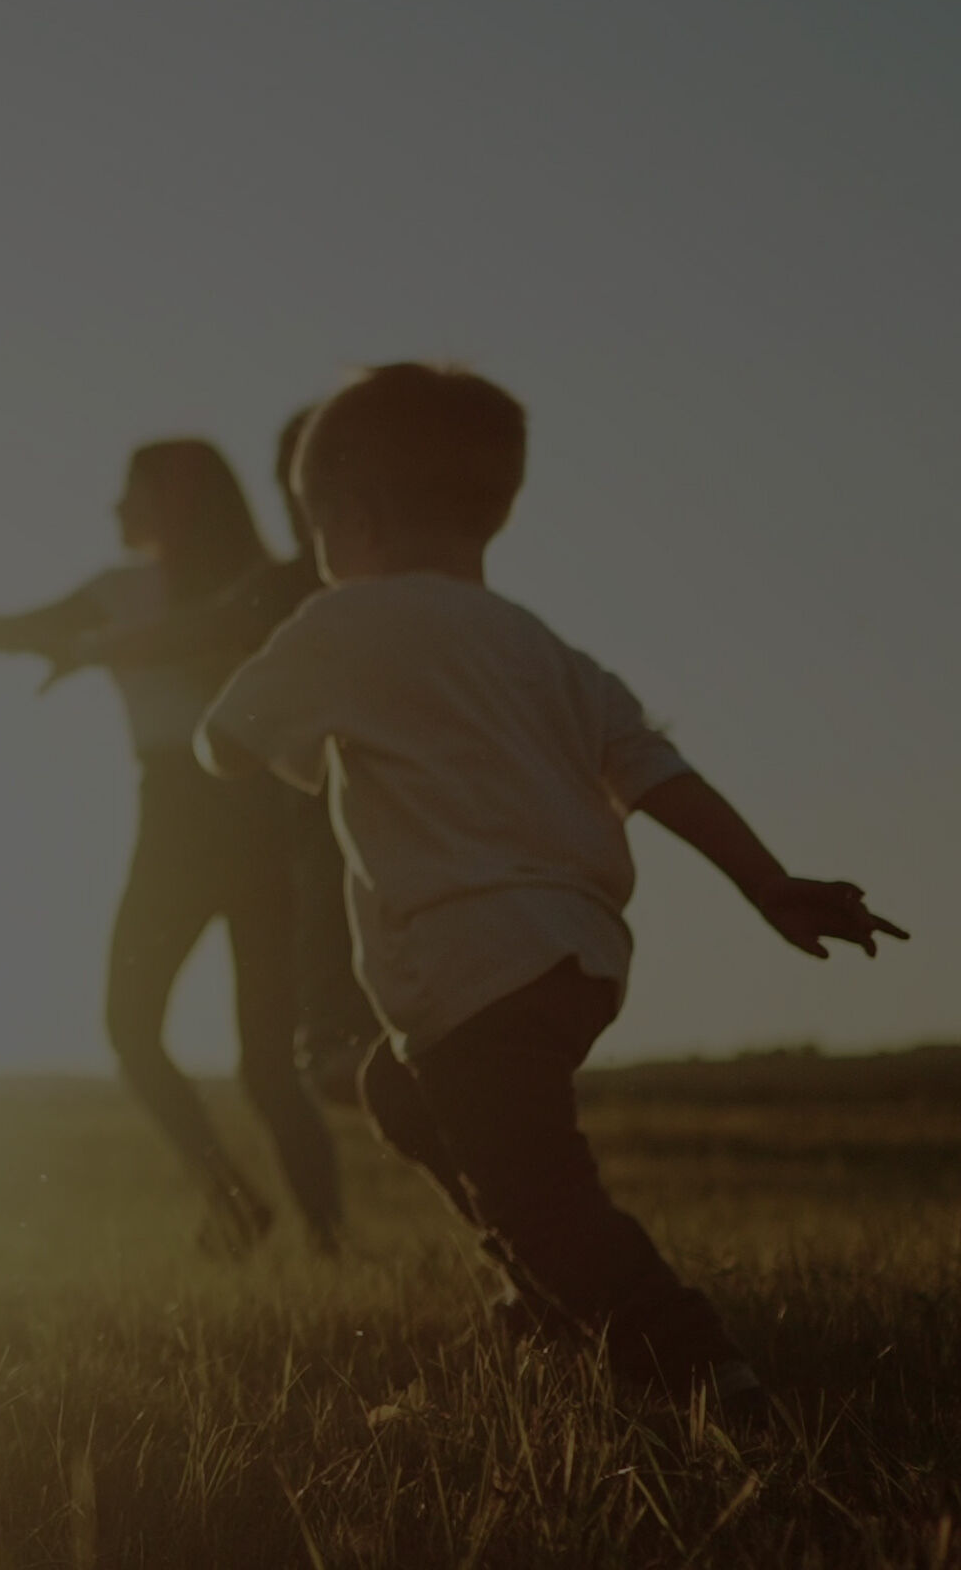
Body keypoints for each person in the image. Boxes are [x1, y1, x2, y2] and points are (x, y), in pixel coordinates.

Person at [198, 362, 903, 1400]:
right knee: (402, 1092)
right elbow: (662, 774)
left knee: (534, 1184)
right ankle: (546, 1290)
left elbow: (221, 741)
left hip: (468, 963)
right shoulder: (548, 649)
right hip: (575, 958)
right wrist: (768, 883)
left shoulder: (340, 624)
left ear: (350, 517)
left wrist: (242, 738)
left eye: (313, 521)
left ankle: (692, 1364)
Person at [0, 439, 343, 1254]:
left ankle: (246, 1209)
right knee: (267, 1063)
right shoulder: (266, 585)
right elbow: (8, 630)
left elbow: (6, 631)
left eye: (132, 490)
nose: (116, 507)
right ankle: (318, 1241)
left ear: (174, 502)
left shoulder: (138, 594)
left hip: (187, 820)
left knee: (136, 1026)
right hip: (266, 822)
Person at [75, 405, 380, 1103]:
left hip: (240, 821)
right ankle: (284, 1201)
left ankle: (280, 1190)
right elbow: (201, 633)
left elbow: (218, 687)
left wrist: (96, 647)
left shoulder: (292, 592)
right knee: (284, 1063)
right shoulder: (279, 587)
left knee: (283, 1060)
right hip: (277, 826)